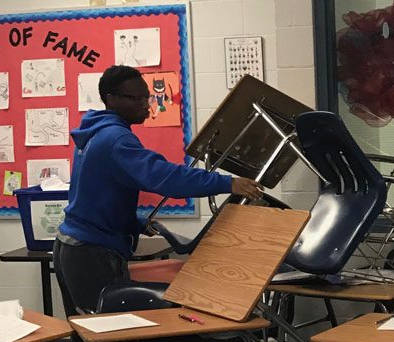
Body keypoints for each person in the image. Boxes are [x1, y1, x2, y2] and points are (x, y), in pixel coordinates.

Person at [53, 64, 263, 315]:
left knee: (86, 330)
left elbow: (97, 194)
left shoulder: (95, 133)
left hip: (72, 247)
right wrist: (226, 183)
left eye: (147, 97)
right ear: (111, 99)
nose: (146, 105)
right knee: (103, 332)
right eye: (137, 98)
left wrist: (134, 223)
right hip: (90, 252)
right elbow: (165, 177)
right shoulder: (116, 139)